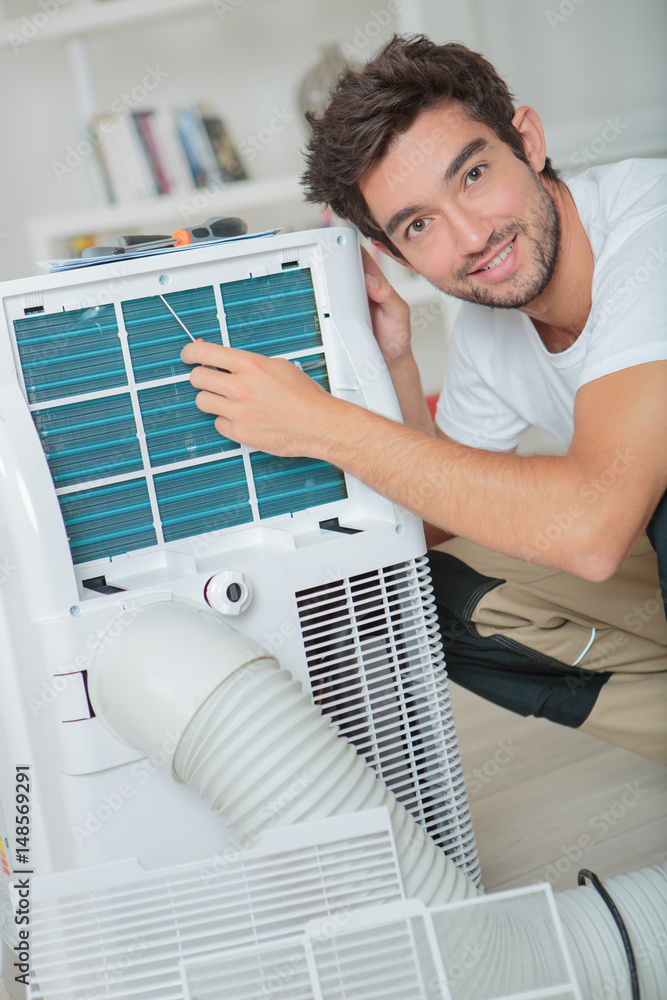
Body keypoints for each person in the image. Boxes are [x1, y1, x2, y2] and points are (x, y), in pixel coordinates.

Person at [182, 36, 667, 763]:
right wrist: (397, 368)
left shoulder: (650, 228)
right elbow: (436, 521)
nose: (471, 238)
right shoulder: (488, 327)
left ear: (526, 142)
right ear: (394, 255)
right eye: (418, 224)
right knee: (416, 592)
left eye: (472, 174)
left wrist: (322, 425)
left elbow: (592, 527)